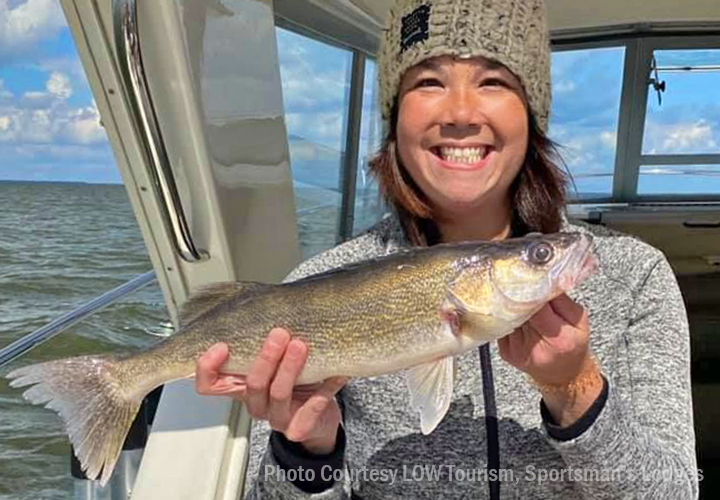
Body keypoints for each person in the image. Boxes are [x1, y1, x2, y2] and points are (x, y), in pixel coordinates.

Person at [195, 0, 699, 498]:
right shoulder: (315, 281)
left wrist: (575, 389)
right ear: (396, 117)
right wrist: (309, 451)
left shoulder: (636, 276)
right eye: (429, 82)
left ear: (531, 113)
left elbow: (675, 492)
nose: (460, 113)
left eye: (493, 81)